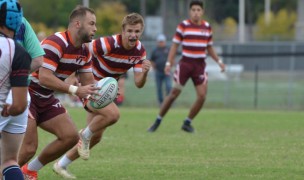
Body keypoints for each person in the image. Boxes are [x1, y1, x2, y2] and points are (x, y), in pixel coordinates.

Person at [53, 13, 151, 179]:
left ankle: (61, 165)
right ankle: (83, 135)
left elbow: (138, 83)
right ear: (123, 31)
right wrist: (73, 76)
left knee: (96, 136)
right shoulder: (110, 43)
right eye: (130, 31)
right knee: (113, 115)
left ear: (141, 32)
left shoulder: (140, 52)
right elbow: (82, 50)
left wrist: (145, 73)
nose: (133, 35)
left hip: (104, 91)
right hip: (89, 86)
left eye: (137, 31)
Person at [19, 5, 99, 180]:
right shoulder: (56, 42)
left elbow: (88, 84)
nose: (95, 29)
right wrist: (75, 90)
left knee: (70, 137)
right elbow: (45, 77)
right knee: (29, 148)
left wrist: (105, 91)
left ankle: (28, 171)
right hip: (27, 93)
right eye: (92, 24)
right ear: (78, 24)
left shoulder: (85, 51)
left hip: (46, 97)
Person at [148, 0, 225, 133]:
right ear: (190, 12)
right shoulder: (183, 26)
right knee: (173, 95)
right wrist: (168, 63)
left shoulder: (207, 27)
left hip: (199, 66)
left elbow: (210, 47)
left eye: (198, 10)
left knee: (202, 96)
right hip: (185, 65)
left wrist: (219, 61)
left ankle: (187, 122)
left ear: (202, 12)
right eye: (193, 10)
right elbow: (174, 46)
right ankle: (157, 121)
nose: (196, 12)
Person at [0, 0, 31, 179]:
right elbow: (19, 105)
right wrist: (10, 110)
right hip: (17, 105)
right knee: (10, 161)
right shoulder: (20, 53)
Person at [150, 34, 172, 105]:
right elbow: (151, 60)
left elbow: (172, 57)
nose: (161, 43)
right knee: (159, 88)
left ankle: (169, 101)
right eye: (160, 41)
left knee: (169, 86)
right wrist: (154, 66)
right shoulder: (155, 50)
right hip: (158, 72)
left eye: (162, 41)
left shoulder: (168, 49)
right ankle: (161, 102)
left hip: (167, 72)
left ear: (164, 42)